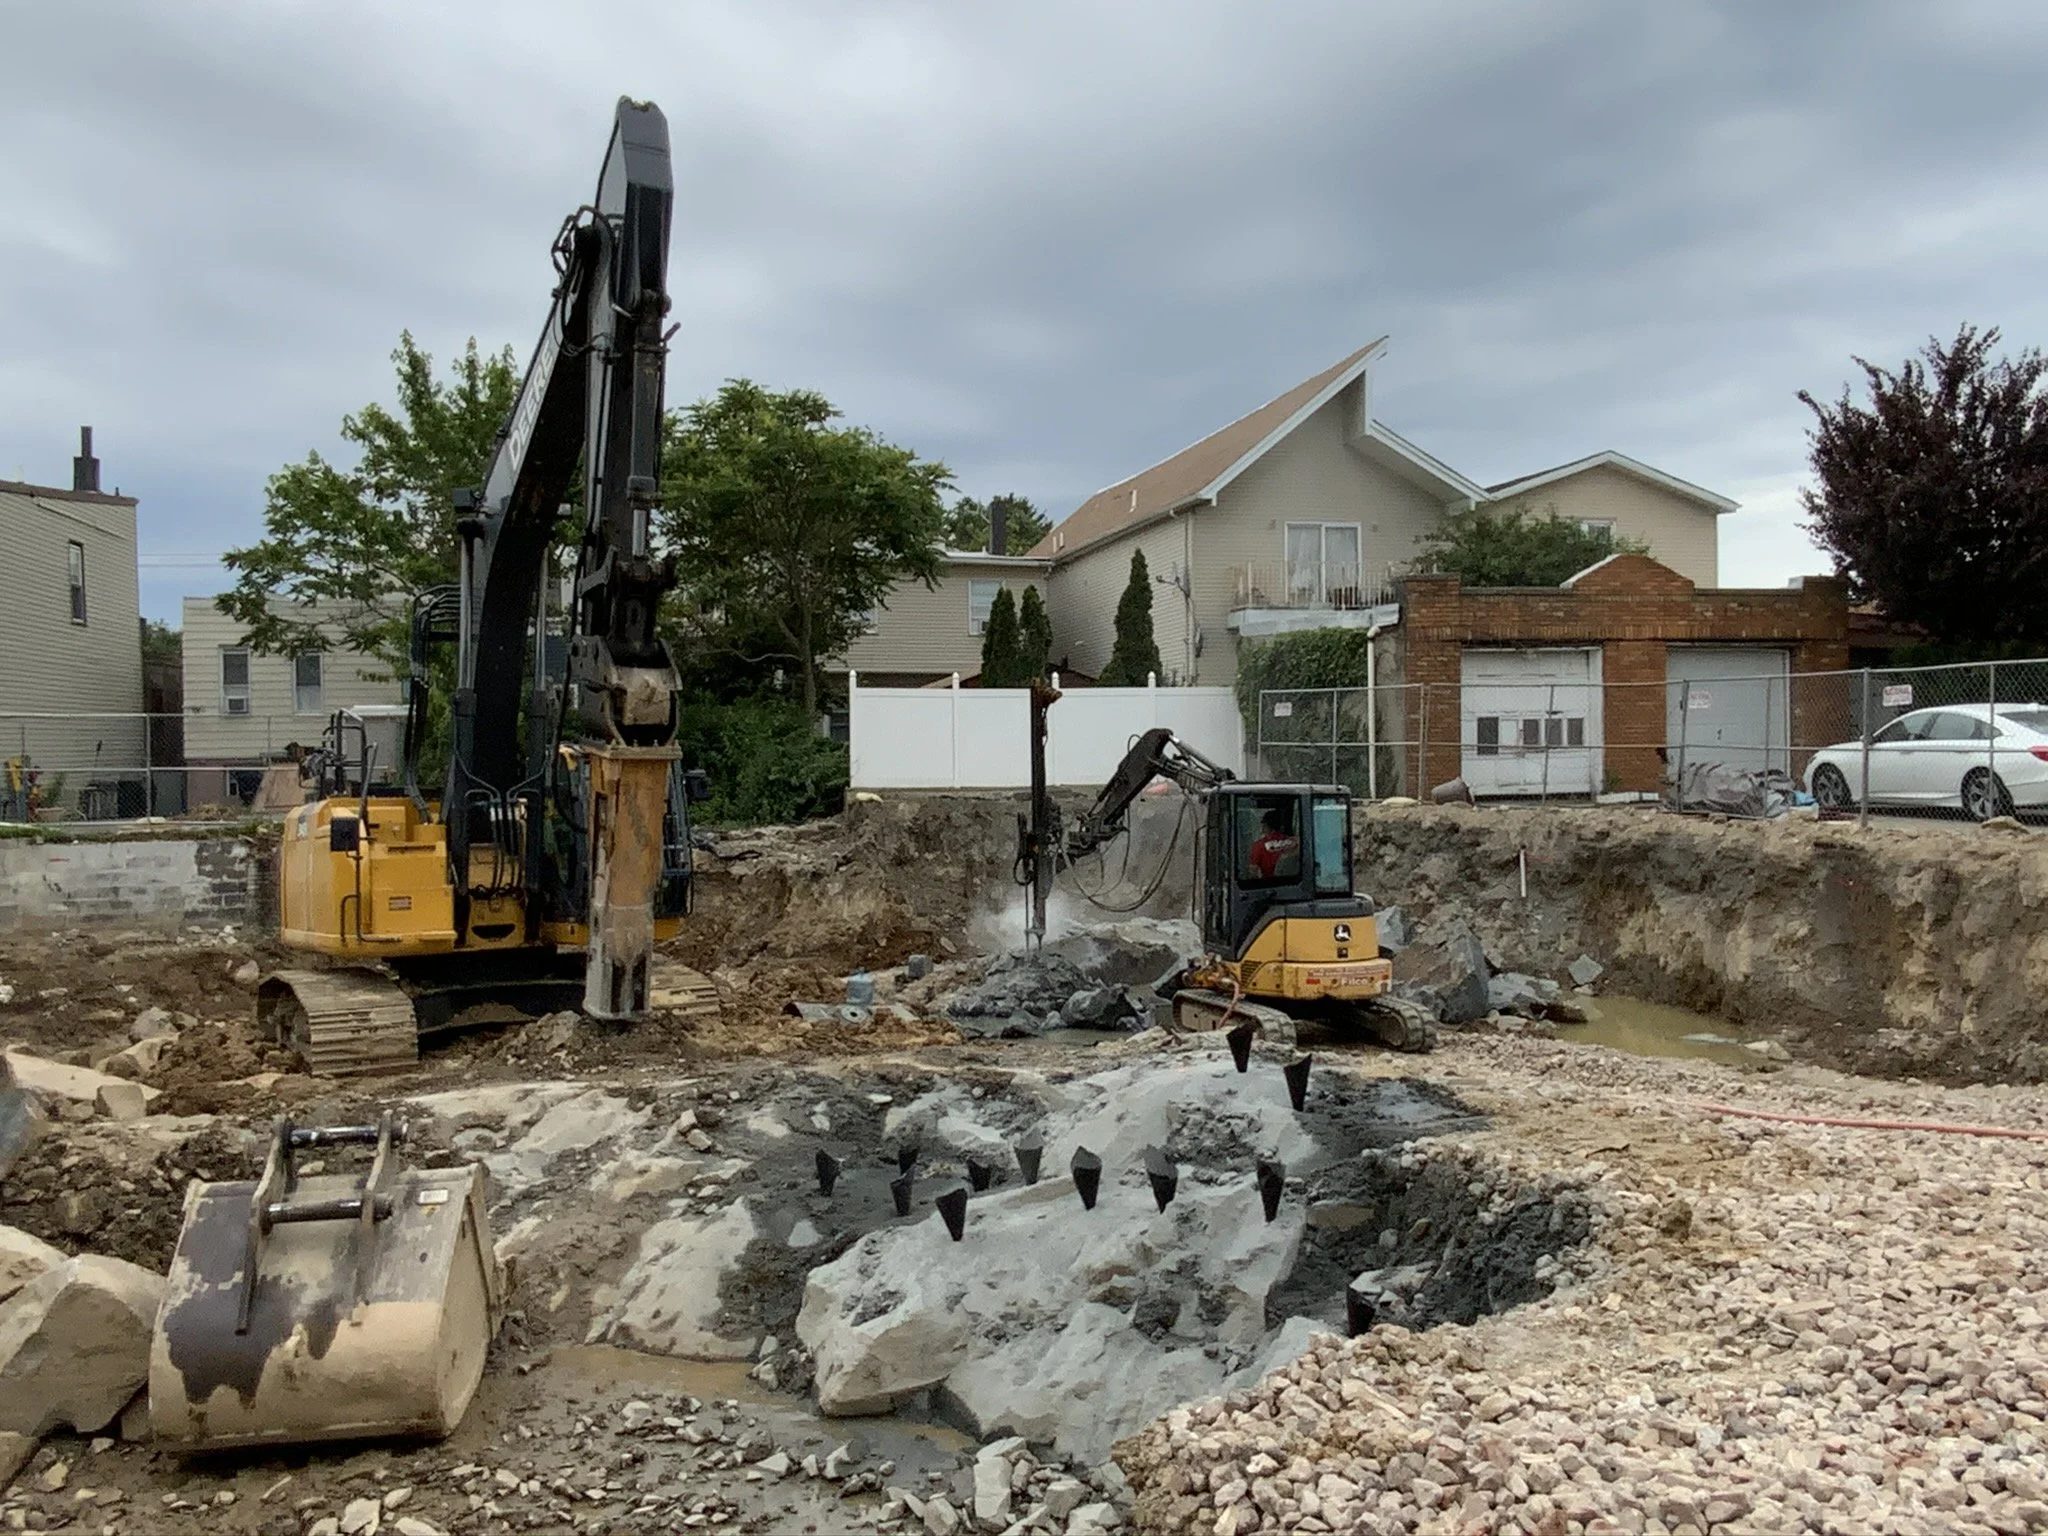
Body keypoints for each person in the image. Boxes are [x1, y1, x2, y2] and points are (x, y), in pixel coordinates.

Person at [1247, 806, 1299, 879]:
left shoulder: (1259, 846)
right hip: (1292, 883)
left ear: (1265, 826)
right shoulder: (1293, 842)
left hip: (1270, 885)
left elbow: (1253, 872)